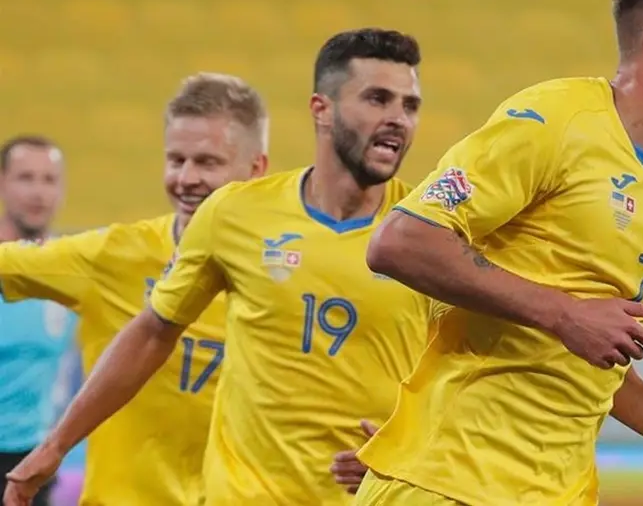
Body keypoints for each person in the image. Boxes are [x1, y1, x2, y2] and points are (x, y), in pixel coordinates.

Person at [355, 0, 643, 506]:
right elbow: (401, 240)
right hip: (448, 482)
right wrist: (565, 313)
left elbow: (583, 351)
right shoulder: (556, 121)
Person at [4, 28, 432, 506]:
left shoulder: (430, 234)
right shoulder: (230, 218)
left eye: (410, 105)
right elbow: (153, 331)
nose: (398, 118)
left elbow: (471, 378)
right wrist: (54, 448)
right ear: (322, 109)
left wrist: (412, 454)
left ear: (255, 165)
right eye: (377, 99)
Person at [0, 73, 269, 505]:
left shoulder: (283, 273)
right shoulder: (115, 256)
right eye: (176, 160)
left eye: (207, 162)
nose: (186, 178)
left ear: (256, 169)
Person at [0, 136, 74, 506]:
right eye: (26, 177)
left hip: (34, 460)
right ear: (2, 183)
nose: (38, 192)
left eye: (49, 179)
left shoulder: (71, 269)